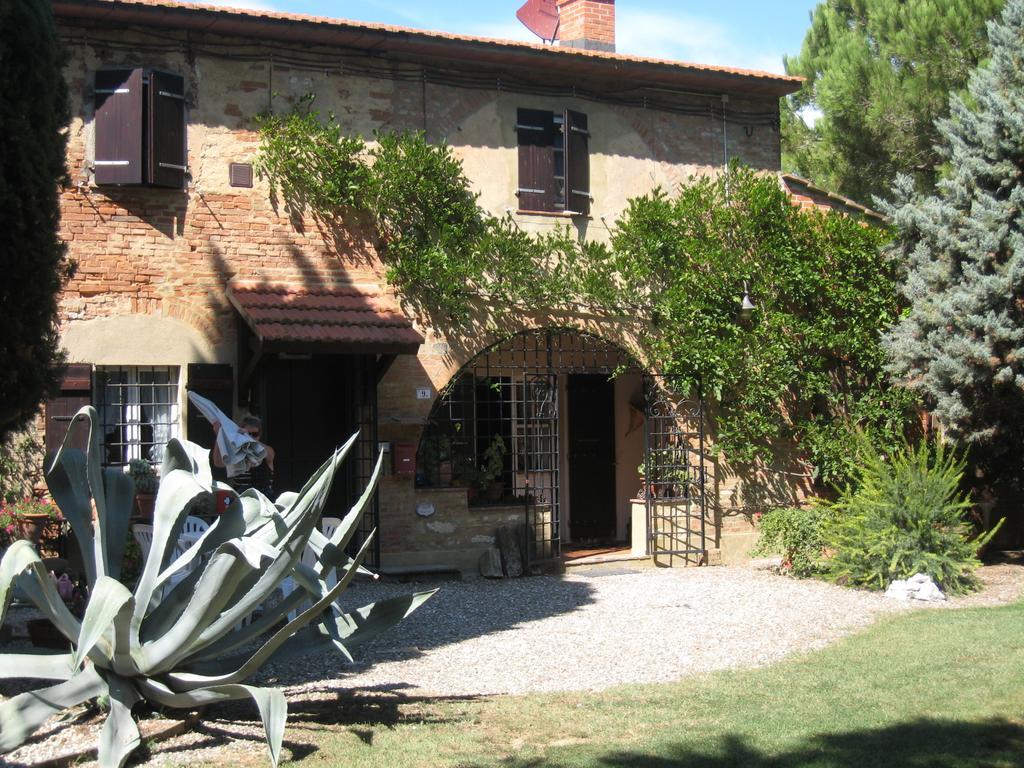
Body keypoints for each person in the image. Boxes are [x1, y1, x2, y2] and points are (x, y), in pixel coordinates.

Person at [212, 415, 276, 497]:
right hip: (242, 499)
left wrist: (247, 437)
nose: (250, 437)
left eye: (254, 434)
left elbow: (270, 454)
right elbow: (218, 463)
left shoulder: (266, 451)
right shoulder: (236, 452)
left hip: (265, 499)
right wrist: (219, 436)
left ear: (260, 435)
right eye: (248, 434)